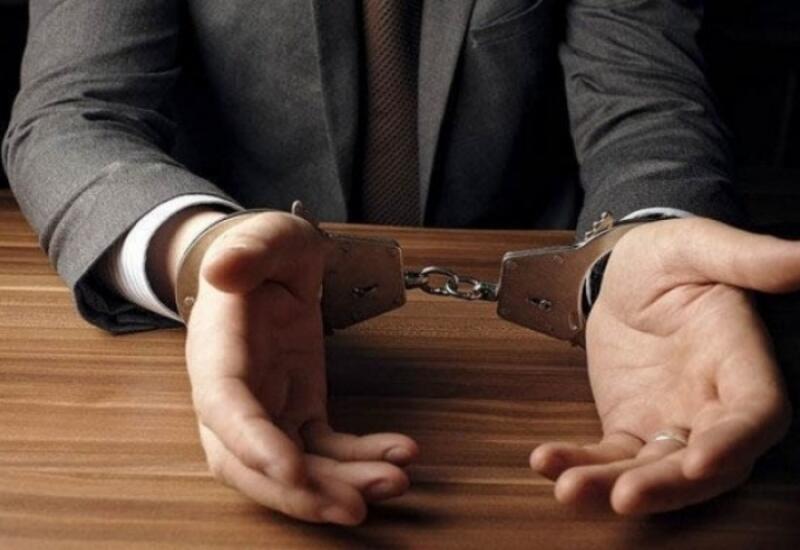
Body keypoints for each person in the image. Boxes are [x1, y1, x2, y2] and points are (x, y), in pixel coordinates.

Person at [2, 0, 794, 525]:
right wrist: (203, 254)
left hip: (545, 358)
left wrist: (650, 230)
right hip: (231, 339)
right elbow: (73, 116)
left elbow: (644, 97)